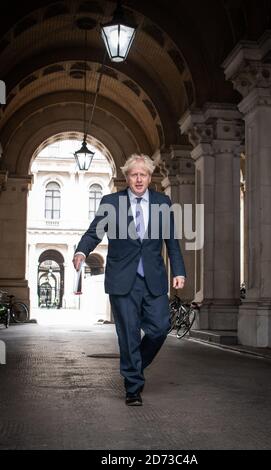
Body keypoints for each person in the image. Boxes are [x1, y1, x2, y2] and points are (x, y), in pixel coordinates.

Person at [73, 154, 186, 406]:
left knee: (160, 328)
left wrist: (178, 271)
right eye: (134, 174)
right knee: (128, 334)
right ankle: (133, 387)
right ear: (127, 177)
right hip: (123, 279)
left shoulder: (163, 202)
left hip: (153, 278)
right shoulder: (111, 202)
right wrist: (82, 251)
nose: (138, 179)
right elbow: (94, 232)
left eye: (143, 174)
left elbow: (172, 242)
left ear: (149, 177)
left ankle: (134, 365)